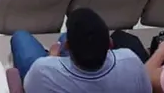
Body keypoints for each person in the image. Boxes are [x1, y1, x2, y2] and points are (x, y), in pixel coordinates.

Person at [11, 6, 150, 92]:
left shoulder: (42, 69)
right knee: (65, 36)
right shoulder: (131, 60)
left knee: (20, 36)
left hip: (49, 67)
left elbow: (29, 88)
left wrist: (52, 58)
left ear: (68, 46)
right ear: (110, 44)